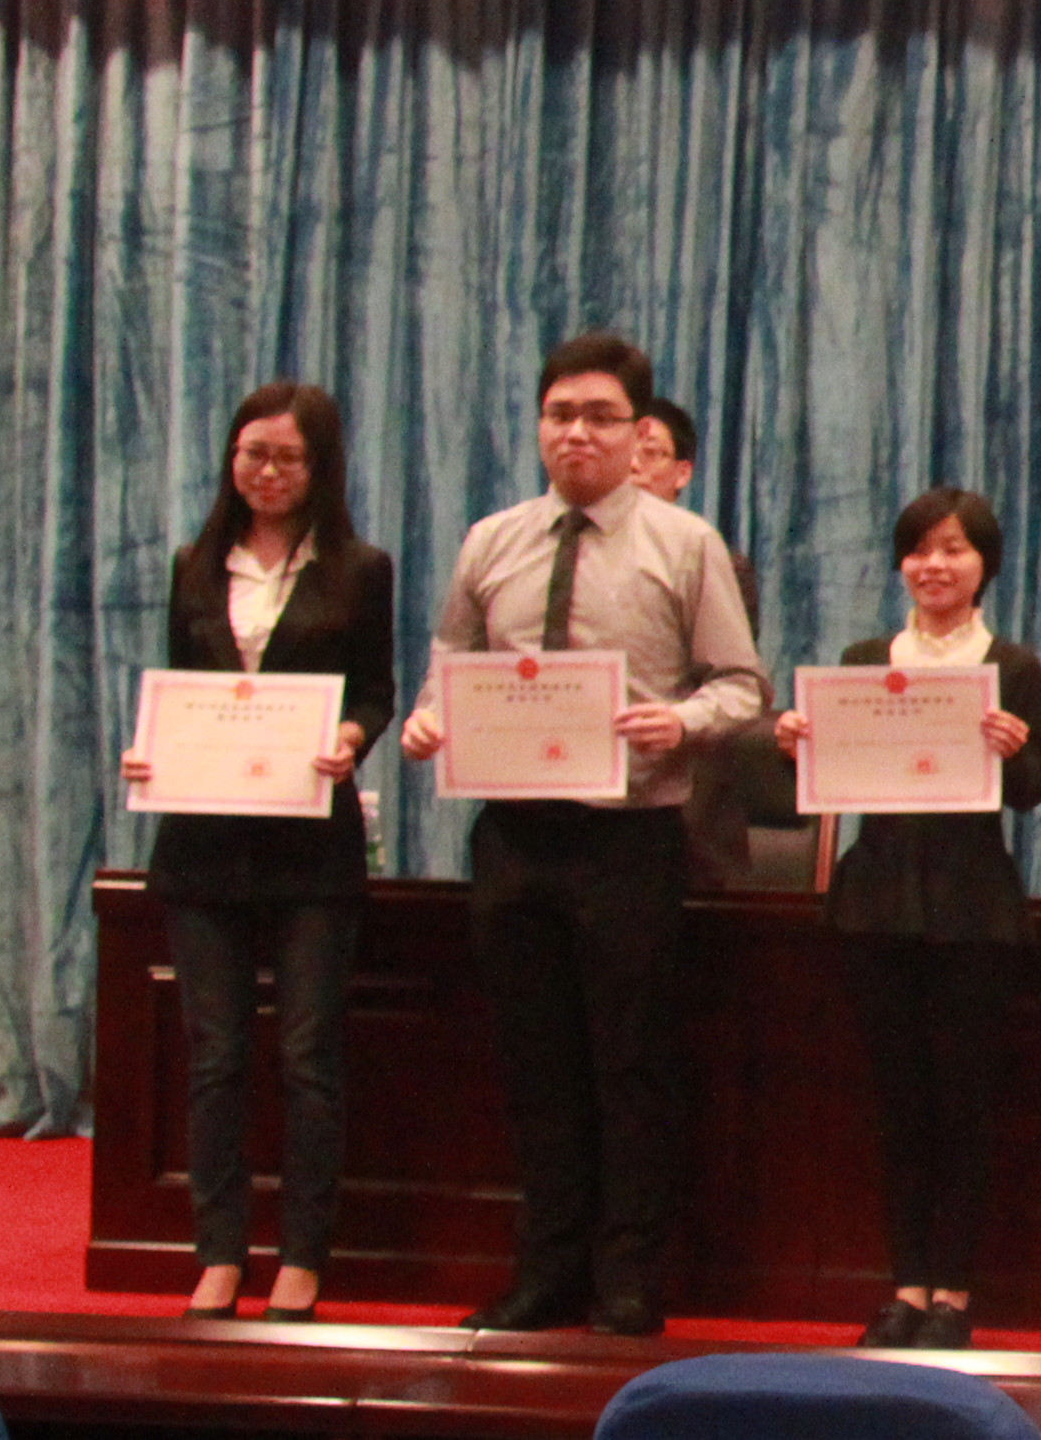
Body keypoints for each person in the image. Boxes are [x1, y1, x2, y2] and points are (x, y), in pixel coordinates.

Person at [394, 332, 767, 1338]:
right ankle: (546, 1270)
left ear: (638, 433)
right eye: (560, 414)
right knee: (535, 1065)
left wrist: (679, 721)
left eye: (600, 417)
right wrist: (426, 722)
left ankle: (629, 1275)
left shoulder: (684, 544)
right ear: (539, 426)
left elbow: (742, 685)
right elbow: (447, 670)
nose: (577, 434)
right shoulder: (491, 541)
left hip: (629, 838)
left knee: (630, 1063)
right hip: (514, 834)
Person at [119, 381, 394, 1325]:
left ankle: (303, 1257)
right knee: (215, 1058)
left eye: (288, 457)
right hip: (203, 846)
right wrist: (151, 752)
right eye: (252, 454)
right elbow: (180, 690)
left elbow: (375, 691)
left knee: (308, 1056)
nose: (268, 472)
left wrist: (352, 737)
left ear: (320, 468)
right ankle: (220, 1253)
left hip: (311, 847)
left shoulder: (360, 569)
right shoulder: (195, 564)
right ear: (230, 460)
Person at [768, 488, 1041, 1351]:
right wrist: (797, 743)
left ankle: (953, 1294)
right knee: (898, 1107)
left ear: (985, 564)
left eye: (955, 549)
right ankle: (906, 1286)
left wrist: (1013, 750)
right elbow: (821, 783)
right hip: (878, 903)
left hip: (972, 906)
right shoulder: (863, 659)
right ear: (901, 563)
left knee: (963, 1106)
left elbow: (1034, 791)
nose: (936, 565)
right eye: (920, 550)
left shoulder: (1012, 665)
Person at [638, 397, 786, 890]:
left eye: (650, 453)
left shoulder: (711, 560)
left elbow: (731, 685)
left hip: (686, 791)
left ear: (682, 473)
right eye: (625, 451)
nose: (633, 465)